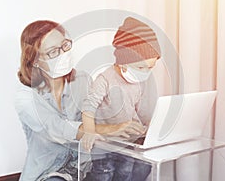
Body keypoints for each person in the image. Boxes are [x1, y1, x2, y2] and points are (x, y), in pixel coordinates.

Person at [15, 20, 146, 181]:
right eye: (53, 52)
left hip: (83, 169)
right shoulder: (25, 98)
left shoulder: (82, 80)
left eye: (65, 45)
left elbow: (97, 116)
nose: (63, 54)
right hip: (48, 173)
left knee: (141, 165)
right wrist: (113, 128)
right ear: (34, 60)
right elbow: (59, 128)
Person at [81, 17, 161, 181]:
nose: (145, 72)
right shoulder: (105, 79)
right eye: (141, 67)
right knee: (104, 175)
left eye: (150, 67)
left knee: (126, 173)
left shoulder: (140, 81)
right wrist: (89, 131)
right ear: (124, 62)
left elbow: (144, 111)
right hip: (105, 144)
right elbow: (88, 106)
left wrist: (150, 130)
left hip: (128, 143)